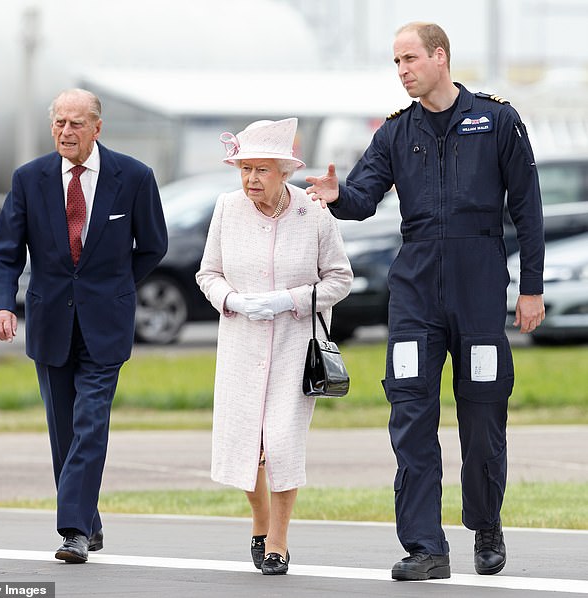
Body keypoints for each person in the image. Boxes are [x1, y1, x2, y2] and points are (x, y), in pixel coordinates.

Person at [306, 22, 545, 581]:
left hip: (480, 285)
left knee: (483, 416)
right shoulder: (394, 133)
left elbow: (528, 210)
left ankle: (486, 525)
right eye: (396, 62)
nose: (402, 70)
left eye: (410, 58)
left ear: (441, 58)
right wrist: (340, 196)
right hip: (415, 290)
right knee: (410, 414)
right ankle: (424, 547)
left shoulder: (498, 121)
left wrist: (531, 287)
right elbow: (362, 197)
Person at [0, 88, 168, 563]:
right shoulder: (30, 179)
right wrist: (1, 305)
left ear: (97, 128)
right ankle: (89, 519)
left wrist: (116, 286)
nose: (67, 131)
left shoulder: (134, 177)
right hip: (49, 321)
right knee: (63, 430)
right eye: (60, 123)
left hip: (107, 322)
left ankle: (72, 532)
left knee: (90, 423)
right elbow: (5, 251)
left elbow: (153, 245)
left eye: (77, 123)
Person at [196, 118, 352, 575]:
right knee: (246, 444)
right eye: (245, 170)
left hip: (293, 345)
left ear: (285, 170)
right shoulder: (227, 208)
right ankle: (260, 517)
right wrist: (233, 300)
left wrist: (291, 300)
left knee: (281, 443)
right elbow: (208, 273)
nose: (251, 180)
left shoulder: (314, 211)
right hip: (242, 342)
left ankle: (278, 539)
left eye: (261, 170)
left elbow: (341, 279)